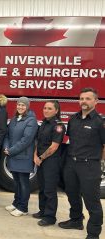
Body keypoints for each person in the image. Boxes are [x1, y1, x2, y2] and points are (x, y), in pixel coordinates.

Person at [58, 88, 104, 239]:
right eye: (81, 98)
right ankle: (76, 220)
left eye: (88, 98)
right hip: (72, 164)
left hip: (89, 166)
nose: (84, 101)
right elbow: (71, 140)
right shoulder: (74, 119)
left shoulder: (100, 122)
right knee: (72, 194)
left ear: (96, 101)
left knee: (92, 201)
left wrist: (99, 162)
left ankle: (93, 234)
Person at [3, 97, 38, 216]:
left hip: (23, 157)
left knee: (23, 183)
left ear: (27, 107)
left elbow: (26, 140)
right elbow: (7, 135)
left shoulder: (31, 121)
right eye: (19, 105)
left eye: (23, 105)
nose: (20, 107)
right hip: (13, 156)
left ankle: (23, 207)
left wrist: (11, 151)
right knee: (17, 182)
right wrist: (6, 147)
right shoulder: (14, 119)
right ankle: (16, 203)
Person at [33, 100, 65, 226]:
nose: (46, 110)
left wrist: (41, 158)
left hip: (51, 161)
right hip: (40, 159)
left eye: (49, 108)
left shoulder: (58, 125)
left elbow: (54, 146)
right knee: (42, 187)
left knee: (49, 189)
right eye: (45, 108)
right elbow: (39, 142)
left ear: (56, 111)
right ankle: (42, 211)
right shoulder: (44, 123)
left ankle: (50, 217)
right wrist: (35, 155)